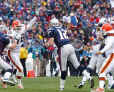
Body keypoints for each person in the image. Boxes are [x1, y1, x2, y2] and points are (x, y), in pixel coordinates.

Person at [44, 18, 80, 91]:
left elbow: (50, 43)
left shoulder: (52, 29)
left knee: (63, 69)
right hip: (70, 46)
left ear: (52, 23)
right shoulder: (62, 28)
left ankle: (61, 88)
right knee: (77, 66)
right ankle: (89, 77)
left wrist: (46, 45)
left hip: (63, 48)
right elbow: (68, 32)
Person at [93, 23, 114, 92]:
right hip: (110, 56)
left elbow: (108, 45)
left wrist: (101, 51)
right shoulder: (109, 36)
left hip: (112, 56)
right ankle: (109, 84)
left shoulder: (111, 37)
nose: (102, 32)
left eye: (103, 30)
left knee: (102, 72)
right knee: (104, 71)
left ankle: (101, 88)